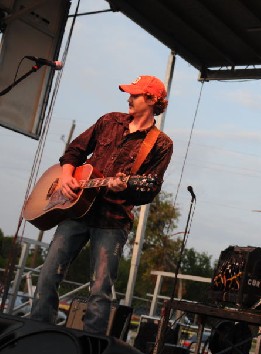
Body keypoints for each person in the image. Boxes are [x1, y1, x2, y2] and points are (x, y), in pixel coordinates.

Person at [30, 75, 173, 335]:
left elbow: (149, 189)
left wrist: (126, 187)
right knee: (48, 274)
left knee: (100, 289)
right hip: (75, 210)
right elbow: (75, 150)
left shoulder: (161, 144)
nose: (128, 98)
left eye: (135, 95)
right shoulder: (109, 120)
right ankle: (37, 334)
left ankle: (90, 347)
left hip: (112, 220)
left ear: (152, 100)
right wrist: (65, 177)